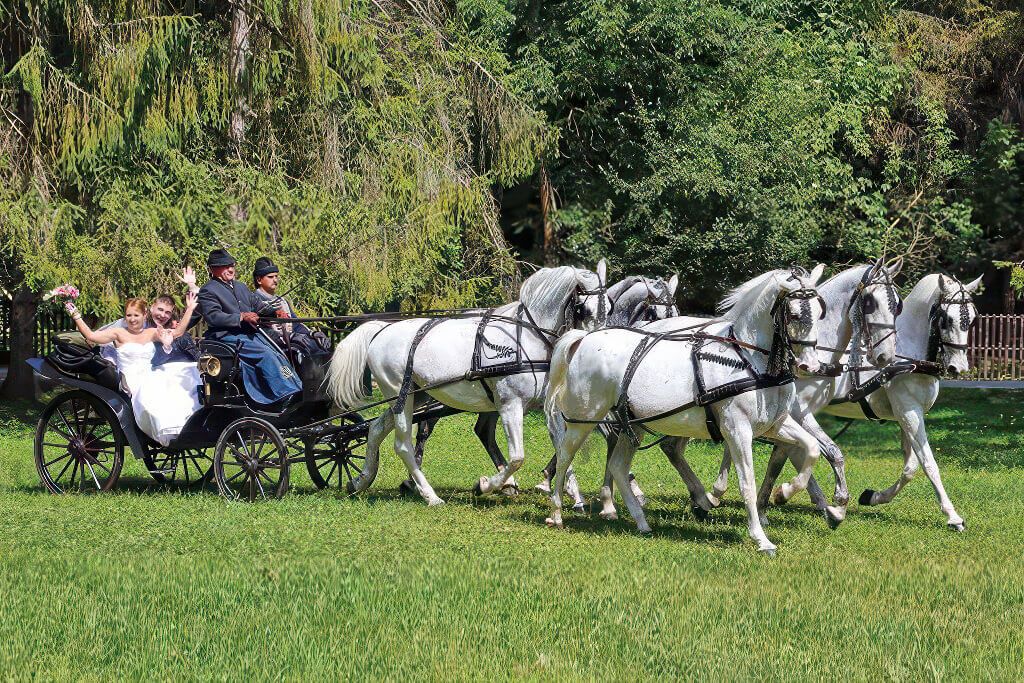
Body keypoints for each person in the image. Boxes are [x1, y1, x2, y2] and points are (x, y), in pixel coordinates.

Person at [66, 290, 202, 447]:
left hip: (150, 374)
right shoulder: (118, 333)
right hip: (130, 379)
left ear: (145, 315)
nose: (132, 319)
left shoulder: (152, 332)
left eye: (136, 315)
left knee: (180, 378)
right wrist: (75, 314)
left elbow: (178, 332)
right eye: (129, 315)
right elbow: (91, 336)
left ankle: (182, 428)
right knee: (150, 393)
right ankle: (163, 431)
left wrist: (190, 309)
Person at [194, 248, 302, 405]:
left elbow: (258, 306)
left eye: (231, 265)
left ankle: (295, 388)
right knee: (265, 353)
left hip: (248, 335)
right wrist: (241, 317)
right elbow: (214, 317)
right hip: (226, 337)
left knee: (277, 351)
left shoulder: (240, 287)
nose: (230, 269)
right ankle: (283, 395)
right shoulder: (208, 290)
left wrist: (275, 313)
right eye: (225, 266)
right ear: (213, 269)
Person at [252, 256, 331, 355]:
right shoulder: (252, 300)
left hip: (291, 344)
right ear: (259, 279)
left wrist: (313, 333)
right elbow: (258, 330)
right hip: (272, 350)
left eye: (276, 276)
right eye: (271, 277)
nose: (275, 280)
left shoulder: (283, 301)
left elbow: (296, 324)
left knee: (319, 346)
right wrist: (288, 337)